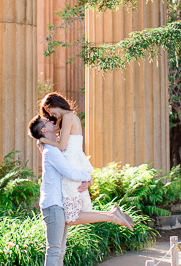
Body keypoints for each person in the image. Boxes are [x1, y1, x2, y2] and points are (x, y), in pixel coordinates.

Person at [28, 113, 134, 266]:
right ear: (43, 130)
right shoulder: (50, 151)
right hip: (52, 205)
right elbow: (68, 171)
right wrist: (88, 177)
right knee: (54, 251)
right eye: (47, 122)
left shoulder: (53, 147)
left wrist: (87, 177)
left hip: (58, 204)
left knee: (60, 251)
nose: (52, 121)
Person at [40, 91, 134, 228]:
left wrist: (43, 140)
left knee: (71, 218)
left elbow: (61, 146)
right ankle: (112, 214)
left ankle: (112, 216)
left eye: (50, 111)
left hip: (70, 165)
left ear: (55, 103)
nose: (51, 115)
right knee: (78, 213)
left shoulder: (67, 118)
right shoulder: (74, 118)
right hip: (76, 163)